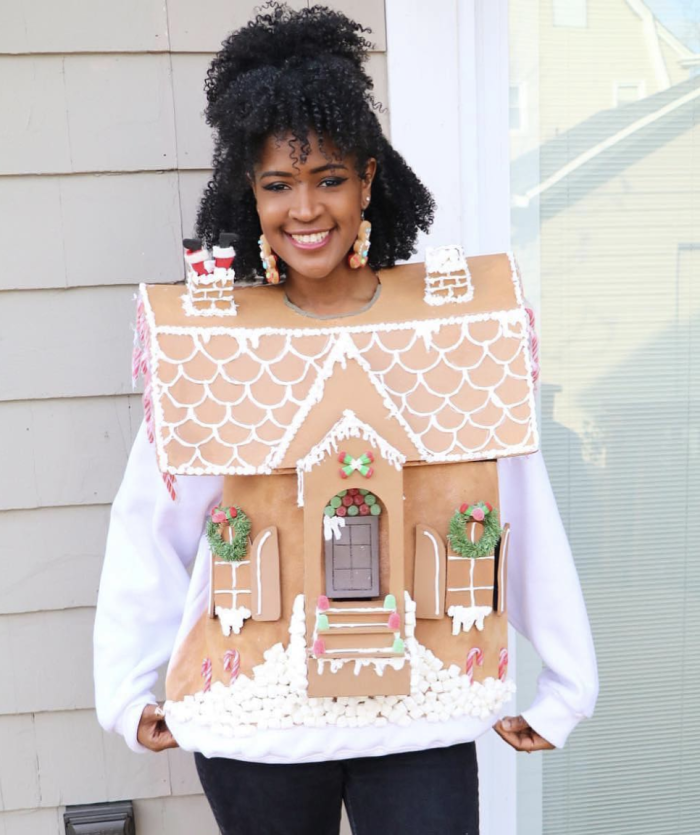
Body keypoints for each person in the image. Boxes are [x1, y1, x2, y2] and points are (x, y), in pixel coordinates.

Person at [93, 5, 598, 834]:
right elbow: (153, 518)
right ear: (248, 195)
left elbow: (514, 496)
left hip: (418, 712)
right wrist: (127, 681)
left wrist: (567, 682)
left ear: (368, 179)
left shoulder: (446, 329)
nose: (305, 208)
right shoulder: (210, 342)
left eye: (328, 177)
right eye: (277, 184)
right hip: (253, 719)